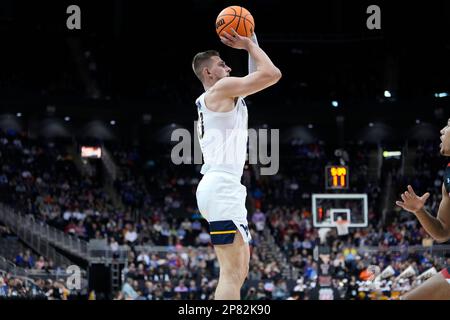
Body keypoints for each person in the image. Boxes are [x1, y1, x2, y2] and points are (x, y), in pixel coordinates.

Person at [192, 29, 281, 300]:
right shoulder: (221, 89)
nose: (229, 67)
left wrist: (252, 42)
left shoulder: (222, 95)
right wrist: (248, 46)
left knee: (238, 273)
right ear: (208, 73)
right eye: (221, 64)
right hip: (221, 186)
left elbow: (258, 76)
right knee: (232, 274)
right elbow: (272, 75)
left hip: (220, 186)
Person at [395, 118, 450, 300]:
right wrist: (419, 210)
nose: (442, 130)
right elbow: (442, 232)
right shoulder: (448, 175)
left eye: (449, 126)